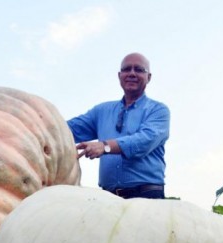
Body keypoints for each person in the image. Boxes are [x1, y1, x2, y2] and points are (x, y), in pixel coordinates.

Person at [67, 52, 170, 200]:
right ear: (119, 75)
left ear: (149, 77)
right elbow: (65, 130)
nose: (132, 73)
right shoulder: (101, 111)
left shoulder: (158, 110)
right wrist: (34, 121)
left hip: (146, 197)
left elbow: (144, 141)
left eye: (139, 70)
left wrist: (105, 146)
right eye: (127, 69)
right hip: (107, 198)